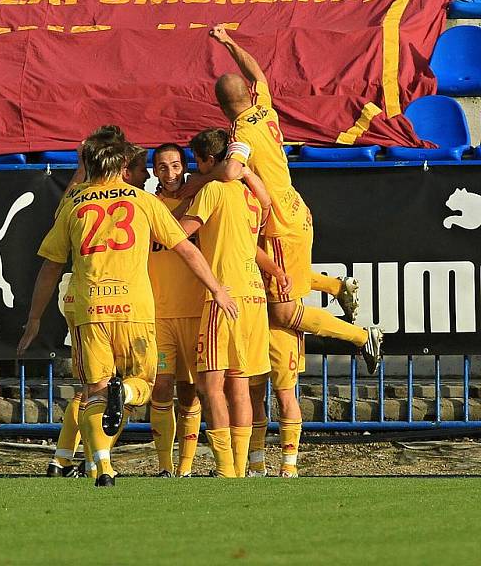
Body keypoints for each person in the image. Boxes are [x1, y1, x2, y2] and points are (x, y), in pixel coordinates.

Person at [185, 24, 384, 476]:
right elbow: (258, 74)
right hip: (297, 210)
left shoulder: (240, 132)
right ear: (248, 95)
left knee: (284, 310)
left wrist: (198, 181)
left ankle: (362, 335)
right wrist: (232, 42)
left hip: (278, 223)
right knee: (280, 290)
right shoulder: (265, 111)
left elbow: (231, 170)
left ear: (220, 107)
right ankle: (335, 284)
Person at [17, 140, 237, 487]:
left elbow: (50, 266)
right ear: (124, 167)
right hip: (135, 307)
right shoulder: (144, 201)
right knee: (144, 386)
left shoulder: (74, 201)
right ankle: (129, 397)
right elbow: (185, 249)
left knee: (94, 390)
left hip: (90, 307)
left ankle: (101, 468)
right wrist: (217, 288)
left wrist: (34, 318)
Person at [178, 129, 276, 477]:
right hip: (253, 298)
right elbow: (263, 212)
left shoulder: (213, 189)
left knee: (210, 384)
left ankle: (225, 468)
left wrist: (160, 219)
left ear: (207, 161)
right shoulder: (250, 197)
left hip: (224, 295)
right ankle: (241, 465)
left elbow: (181, 232)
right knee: (241, 384)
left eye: (197, 162)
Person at [46, 125, 126, 479]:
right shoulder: (124, 198)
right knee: (108, 388)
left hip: (86, 299)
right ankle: (95, 461)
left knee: (95, 386)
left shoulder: (80, 195)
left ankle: (63, 459)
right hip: (110, 300)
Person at [147, 144, 205, 477]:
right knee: (161, 387)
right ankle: (165, 466)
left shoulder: (200, 203)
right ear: (154, 171)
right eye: (162, 167)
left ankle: (185, 467)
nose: (169, 173)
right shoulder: (148, 206)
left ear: (185, 167)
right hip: (159, 314)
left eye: (175, 166)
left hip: (195, 312)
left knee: (190, 391)